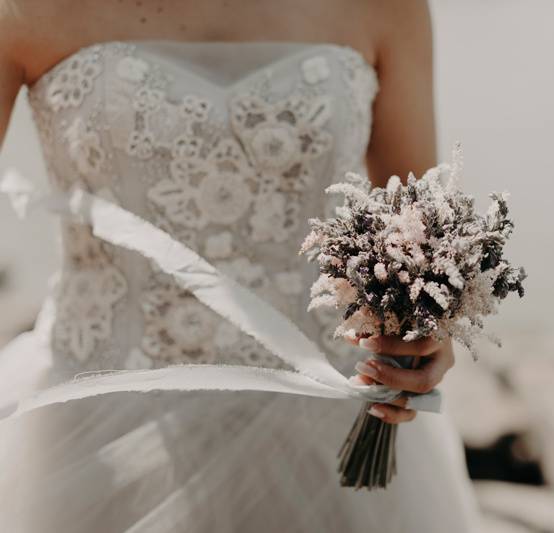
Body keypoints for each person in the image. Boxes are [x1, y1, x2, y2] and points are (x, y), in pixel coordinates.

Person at [0, 0, 480, 530]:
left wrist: (429, 332)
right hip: (92, 428)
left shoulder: (387, 8)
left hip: (330, 419)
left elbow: (418, 232)